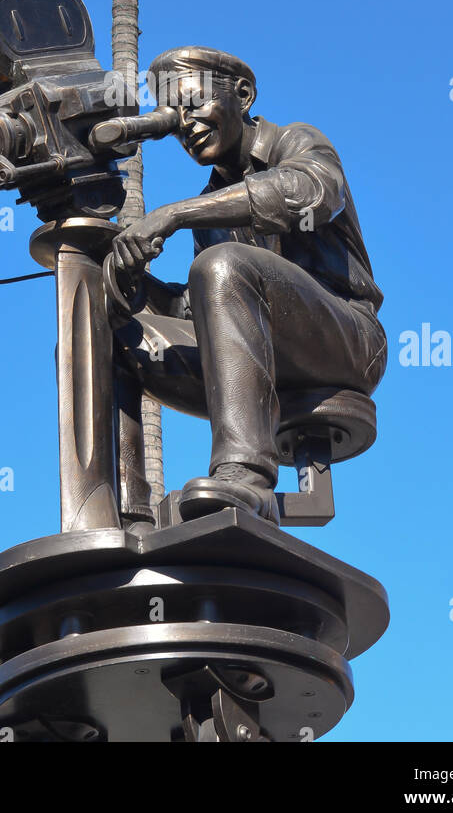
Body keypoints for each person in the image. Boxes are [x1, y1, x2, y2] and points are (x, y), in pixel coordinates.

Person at [111, 46, 386, 525]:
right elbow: (206, 311)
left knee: (222, 264)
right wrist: (138, 285)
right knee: (117, 334)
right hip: (265, 363)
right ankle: (129, 507)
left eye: (193, 105)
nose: (186, 125)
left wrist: (173, 214)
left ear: (242, 95)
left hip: (349, 344)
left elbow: (310, 194)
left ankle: (245, 475)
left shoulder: (296, 142)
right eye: (174, 118)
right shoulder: (211, 209)